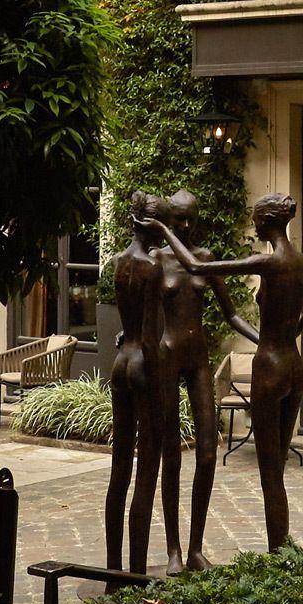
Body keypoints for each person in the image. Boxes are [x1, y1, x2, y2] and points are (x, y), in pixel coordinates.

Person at [159, 192, 303, 551]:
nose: (254, 224)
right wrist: (287, 333)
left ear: (268, 221)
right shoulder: (301, 261)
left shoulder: (267, 261)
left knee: (270, 473)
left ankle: (279, 552)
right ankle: (283, 548)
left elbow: (198, 268)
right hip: (294, 364)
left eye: (257, 219)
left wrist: (160, 228)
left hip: (271, 367)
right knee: (276, 468)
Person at [105, 189, 220, 572]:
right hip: (156, 361)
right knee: (158, 461)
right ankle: (160, 556)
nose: (184, 226)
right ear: (162, 222)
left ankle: (190, 550)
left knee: (203, 453)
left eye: (191, 218)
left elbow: (228, 309)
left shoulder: (198, 259)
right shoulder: (155, 263)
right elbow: (148, 326)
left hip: (183, 358)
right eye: (176, 219)